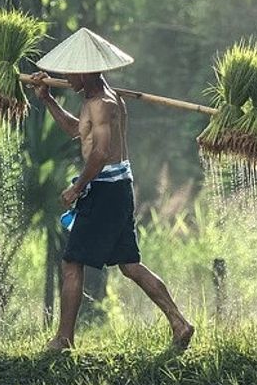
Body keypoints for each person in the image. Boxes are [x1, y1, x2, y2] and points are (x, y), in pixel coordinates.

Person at [30, 27, 195, 352]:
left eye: (70, 71)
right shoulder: (96, 100)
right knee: (129, 264)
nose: (65, 76)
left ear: (86, 71)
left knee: (72, 262)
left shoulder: (104, 103)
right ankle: (180, 323)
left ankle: (64, 339)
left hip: (106, 190)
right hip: (116, 188)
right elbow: (75, 131)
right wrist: (47, 99)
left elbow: (101, 154)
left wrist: (78, 187)